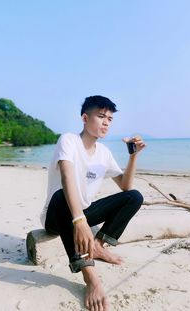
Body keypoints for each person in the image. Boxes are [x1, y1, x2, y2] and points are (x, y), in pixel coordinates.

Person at [40, 95, 145, 311]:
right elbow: (67, 177)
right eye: (101, 116)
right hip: (57, 214)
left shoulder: (104, 154)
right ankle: (90, 278)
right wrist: (79, 221)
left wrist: (133, 157)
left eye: (110, 118)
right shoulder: (69, 140)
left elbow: (125, 186)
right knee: (61, 196)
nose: (106, 122)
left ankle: (97, 246)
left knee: (134, 197)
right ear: (85, 118)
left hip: (83, 213)